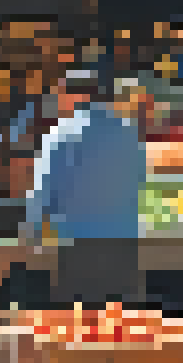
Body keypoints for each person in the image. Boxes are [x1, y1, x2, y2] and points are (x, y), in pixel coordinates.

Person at [27, 69, 150, 308]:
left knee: (74, 332)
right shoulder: (128, 133)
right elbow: (140, 182)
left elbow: (41, 196)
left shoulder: (60, 134)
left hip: (76, 250)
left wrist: (32, 239)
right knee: (123, 330)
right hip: (123, 248)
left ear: (74, 96)